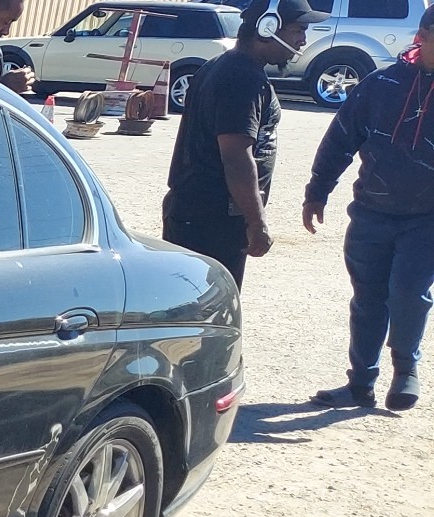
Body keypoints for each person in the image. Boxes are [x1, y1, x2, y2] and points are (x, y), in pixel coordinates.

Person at [299, 8, 434, 412]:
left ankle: (405, 369)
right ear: (423, 36)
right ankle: (360, 383)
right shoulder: (382, 83)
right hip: (371, 212)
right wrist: (317, 191)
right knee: (368, 297)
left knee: (408, 291)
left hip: (426, 219)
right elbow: (341, 137)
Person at [160, 0, 325, 286]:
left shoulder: (226, 66)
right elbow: (236, 157)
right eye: (299, 29)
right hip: (212, 221)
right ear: (267, 27)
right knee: (209, 306)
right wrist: (256, 222)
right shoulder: (241, 79)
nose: (303, 40)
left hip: (200, 215)